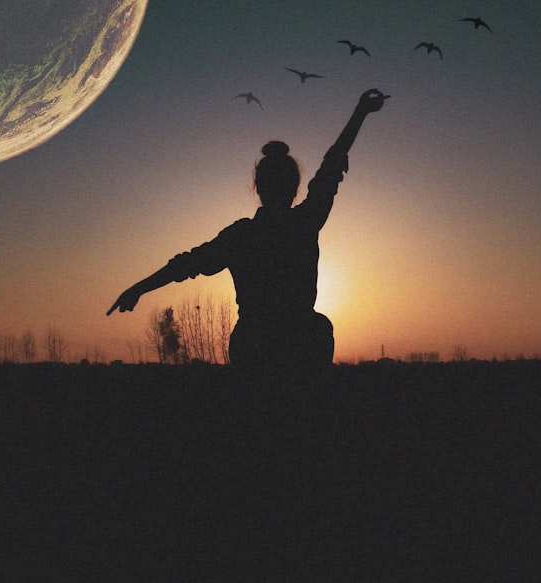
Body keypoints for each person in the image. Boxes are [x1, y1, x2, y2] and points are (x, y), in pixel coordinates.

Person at [107, 88, 388, 373]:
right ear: (294, 187)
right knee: (318, 329)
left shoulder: (240, 236)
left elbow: (184, 265)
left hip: (253, 346)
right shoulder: (304, 223)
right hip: (302, 343)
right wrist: (359, 114)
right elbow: (331, 168)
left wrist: (139, 288)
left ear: (258, 187)